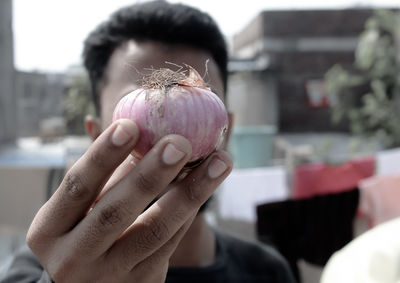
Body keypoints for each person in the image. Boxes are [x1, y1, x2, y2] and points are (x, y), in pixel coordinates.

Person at [1, 1, 295, 282]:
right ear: (97, 135)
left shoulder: (269, 272)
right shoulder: (34, 272)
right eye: (148, 113)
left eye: (201, 102)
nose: (174, 144)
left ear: (225, 131)